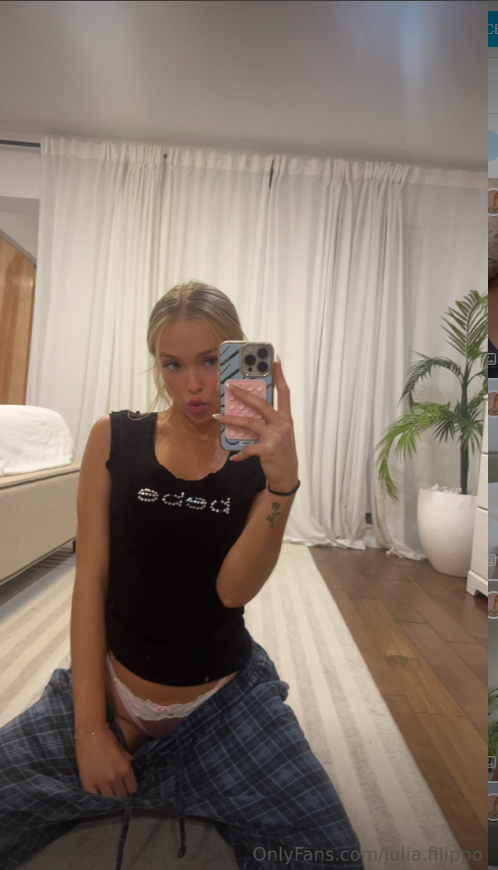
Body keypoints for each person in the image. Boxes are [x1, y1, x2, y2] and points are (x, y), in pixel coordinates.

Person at [0, 281, 364, 870]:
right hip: (112, 693)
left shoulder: (257, 456)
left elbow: (233, 591)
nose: (193, 384)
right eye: (173, 364)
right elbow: (90, 578)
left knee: (330, 854)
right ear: (157, 365)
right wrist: (90, 729)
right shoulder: (114, 436)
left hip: (222, 701)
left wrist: (283, 484)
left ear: (237, 356)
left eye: (209, 361)